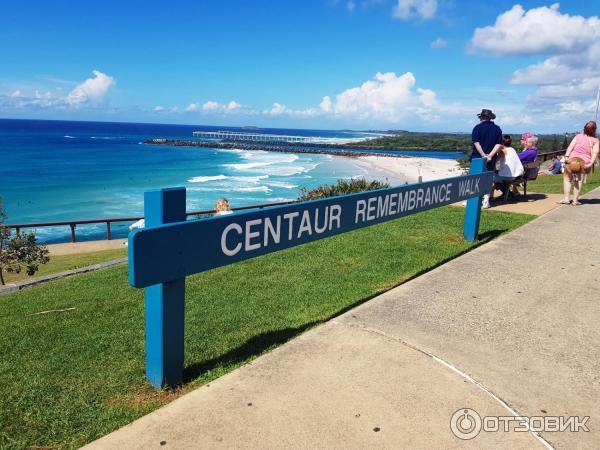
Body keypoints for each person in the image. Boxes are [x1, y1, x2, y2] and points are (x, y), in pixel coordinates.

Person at [559, 121, 600, 205]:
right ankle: (575, 200)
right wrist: (591, 163)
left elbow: (570, 147)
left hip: (571, 161)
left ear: (584, 128)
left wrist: (566, 157)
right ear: (594, 130)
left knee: (567, 179)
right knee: (579, 181)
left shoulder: (578, 136)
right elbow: (595, 153)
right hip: (583, 163)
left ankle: (566, 199)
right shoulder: (595, 140)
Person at [471, 108, 502, 208]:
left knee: (476, 179)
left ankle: (476, 200)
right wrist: (490, 155)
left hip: (477, 157)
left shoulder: (477, 128)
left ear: (482, 117)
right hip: (491, 158)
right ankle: (486, 200)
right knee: (488, 178)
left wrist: (483, 155)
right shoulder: (497, 129)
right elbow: (498, 144)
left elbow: (476, 143)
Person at [492, 135, 524, 200]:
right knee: (499, 177)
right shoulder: (512, 149)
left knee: (491, 177)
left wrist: (493, 170)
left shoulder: (502, 151)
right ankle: (508, 193)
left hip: (510, 176)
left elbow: (496, 163)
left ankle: (491, 197)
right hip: (519, 175)